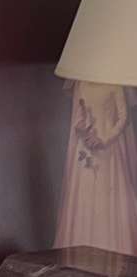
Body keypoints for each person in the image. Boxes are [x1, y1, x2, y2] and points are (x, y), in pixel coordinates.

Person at [55, 80, 137, 254]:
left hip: (108, 150)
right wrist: (83, 132)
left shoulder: (114, 84)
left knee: (107, 195)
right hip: (86, 148)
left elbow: (123, 118)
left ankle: (112, 249)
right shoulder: (82, 84)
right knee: (86, 195)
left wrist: (104, 139)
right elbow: (78, 117)